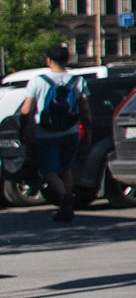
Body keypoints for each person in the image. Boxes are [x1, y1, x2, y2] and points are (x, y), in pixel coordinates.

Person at [18, 45, 88, 224]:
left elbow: (27, 109)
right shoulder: (77, 81)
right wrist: (88, 131)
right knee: (66, 169)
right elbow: (85, 110)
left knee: (49, 172)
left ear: (48, 60)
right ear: (67, 60)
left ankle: (65, 199)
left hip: (46, 133)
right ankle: (68, 208)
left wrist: (24, 130)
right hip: (71, 132)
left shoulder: (38, 81)